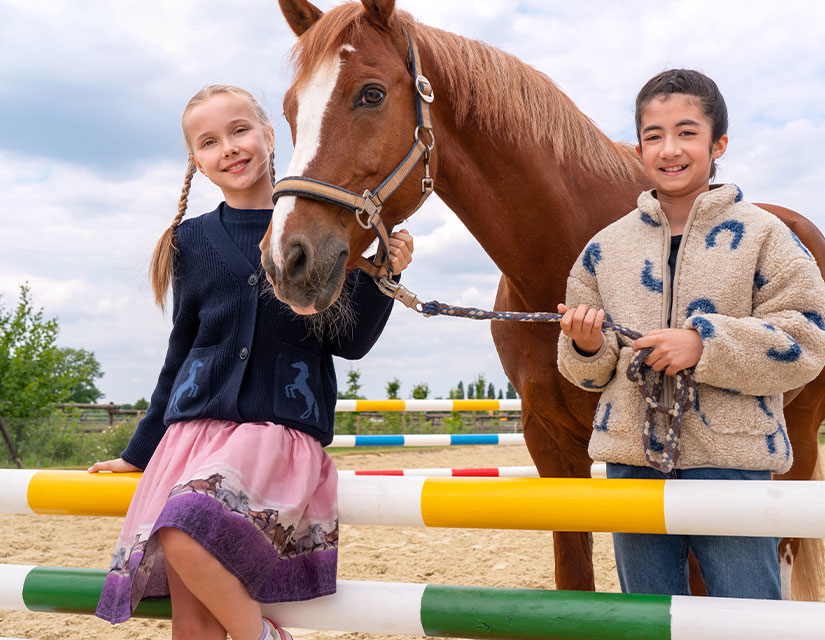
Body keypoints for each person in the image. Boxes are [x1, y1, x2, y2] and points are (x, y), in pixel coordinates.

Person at [89, 85, 414, 639]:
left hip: (273, 433)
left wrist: (384, 274)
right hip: (191, 435)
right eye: (209, 142)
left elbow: (352, 340)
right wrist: (138, 451)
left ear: (270, 136)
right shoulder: (189, 241)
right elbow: (180, 353)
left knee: (183, 531)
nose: (230, 148)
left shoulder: (320, 234)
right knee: (191, 625)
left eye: (240, 130)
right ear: (198, 161)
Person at [556, 69, 825, 598]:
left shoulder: (765, 236)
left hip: (733, 462)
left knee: (748, 619)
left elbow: (810, 337)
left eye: (686, 132)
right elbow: (585, 372)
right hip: (631, 462)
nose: (669, 149)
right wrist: (586, 345)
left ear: (717, 143)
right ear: (639, 148)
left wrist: (706, 345)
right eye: (653, 136)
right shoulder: (603, 249)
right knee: (647, 618)